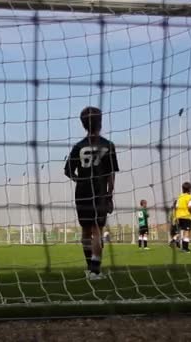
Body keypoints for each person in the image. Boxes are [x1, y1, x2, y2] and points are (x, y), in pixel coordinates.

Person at [64, 106, 119, 280]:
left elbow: (68, 171)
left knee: (86, 231)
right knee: (97, 230)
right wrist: (110, 195)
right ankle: (95, 270)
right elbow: (111, 174)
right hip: (100, 192)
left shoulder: (78, 147)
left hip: (82, 193)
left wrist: (80, 180)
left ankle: (89, 268)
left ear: (83, 125)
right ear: (100, 122)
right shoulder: (108, 145)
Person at [175, 182, 191, 253]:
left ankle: (177, 241)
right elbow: (190, 207)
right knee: (187, 232)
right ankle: (185, 248)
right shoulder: (189, 196)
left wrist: (176, 217)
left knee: (181, 231)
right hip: (186, 216)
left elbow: (176, 207)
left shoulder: (180, 197)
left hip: (179, 216)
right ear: (189, 189)